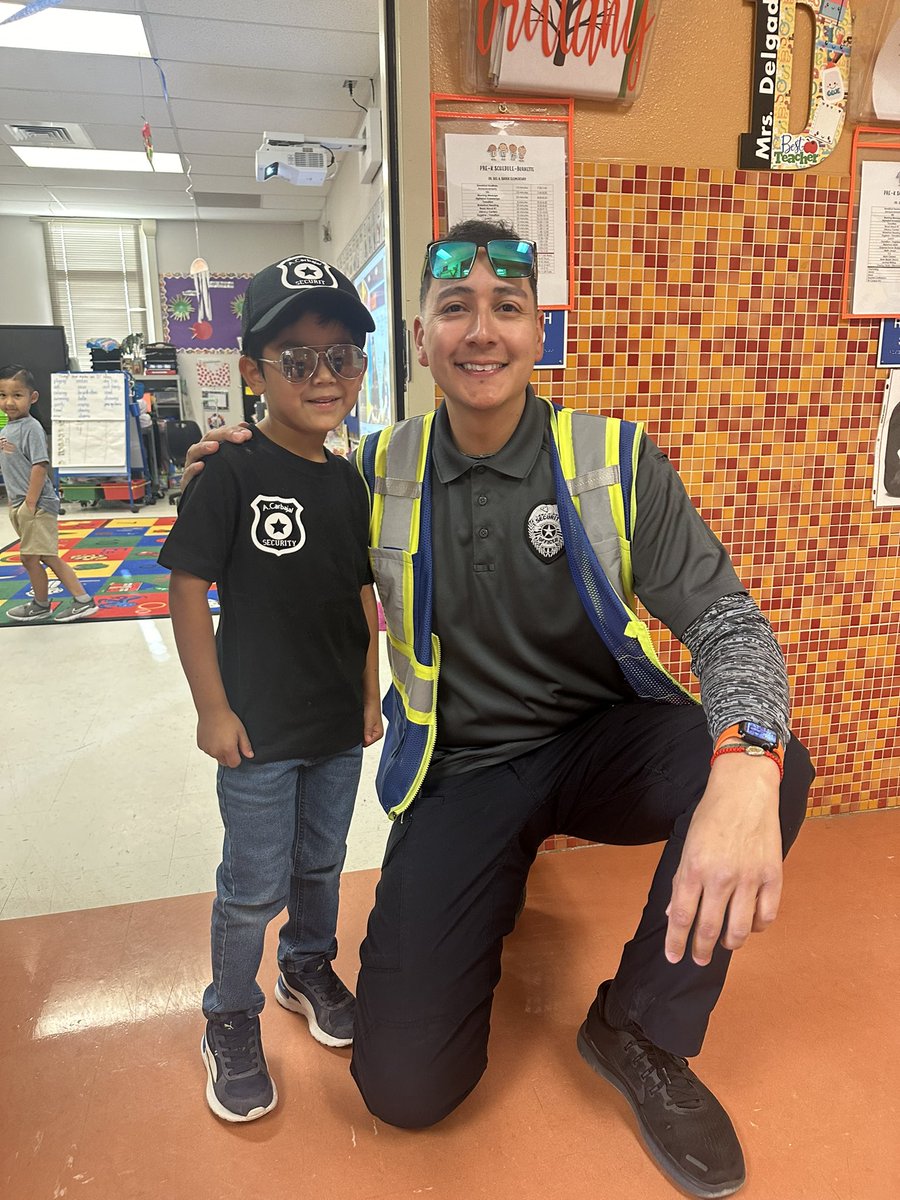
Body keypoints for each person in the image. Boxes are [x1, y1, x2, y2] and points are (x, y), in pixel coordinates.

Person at [183, 223, 814, 1197]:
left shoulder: (609, 457)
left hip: (602, 745)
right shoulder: (371, 475)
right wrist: (236, 464)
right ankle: (491, 875)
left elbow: (728, 622)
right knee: (404, 1088)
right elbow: (276, 521)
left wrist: (748, 755)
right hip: (462, 770)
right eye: (454, 308)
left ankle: (639, 1027)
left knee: (770, 762)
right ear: (422, 340)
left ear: (537, 330)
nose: (482, 331)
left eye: (507, 307)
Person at [158, 255, 383, 1124]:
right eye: (296, 359)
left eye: (341, 359)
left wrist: (369, 694)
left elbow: (361, 593)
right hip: (254, 730)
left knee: (321, 862)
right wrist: (211, 708)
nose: (322, 378)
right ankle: (228, 1012)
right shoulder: (230, 474)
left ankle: (306, 964)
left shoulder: (350, 477)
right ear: (252, 371)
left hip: (334, 724)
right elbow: (186, 587)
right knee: (252, 882)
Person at [0, 365, 98, 623]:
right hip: (21, 504)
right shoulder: (8, 428)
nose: (9, 402)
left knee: (43, 556)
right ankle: (41, 603)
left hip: (36, 504)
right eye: (2, 395)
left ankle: (83, 600)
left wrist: (30, 504)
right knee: (32, 557)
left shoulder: (31, 428)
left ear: (32, 398)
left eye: (17, 395)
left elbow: (39, 466)